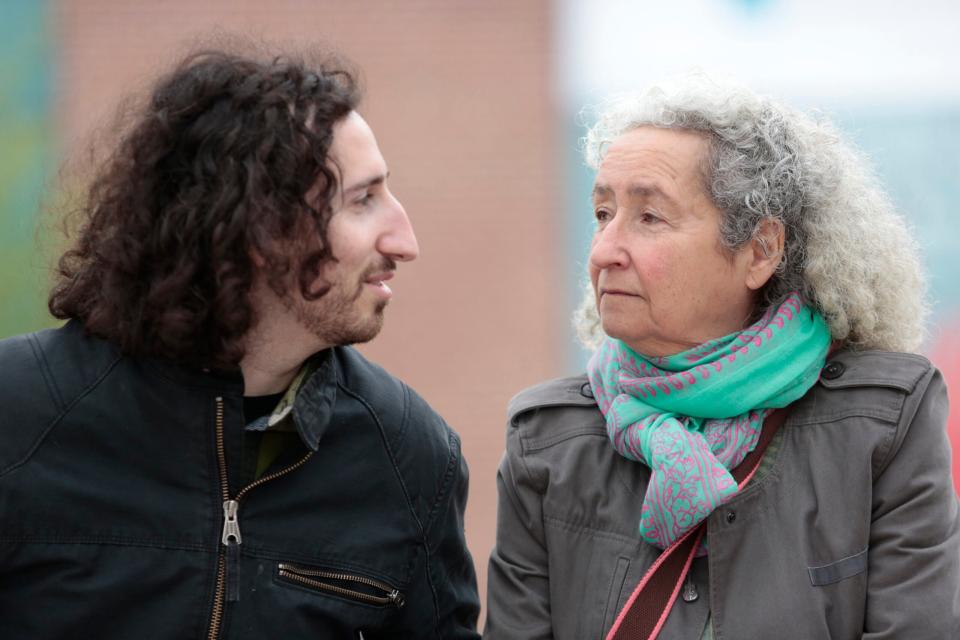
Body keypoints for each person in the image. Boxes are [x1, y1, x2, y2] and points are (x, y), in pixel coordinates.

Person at [0, 46, 479, 639]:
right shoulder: (17, 414)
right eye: (363, 200)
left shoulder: (411, 456)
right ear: (256, 226)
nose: (405, 241)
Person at [484, 75, 960, 639]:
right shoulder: (547, 441)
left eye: (649, 217)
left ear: (760, 250)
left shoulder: (884, 421)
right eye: (602, 214)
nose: (604, 251)